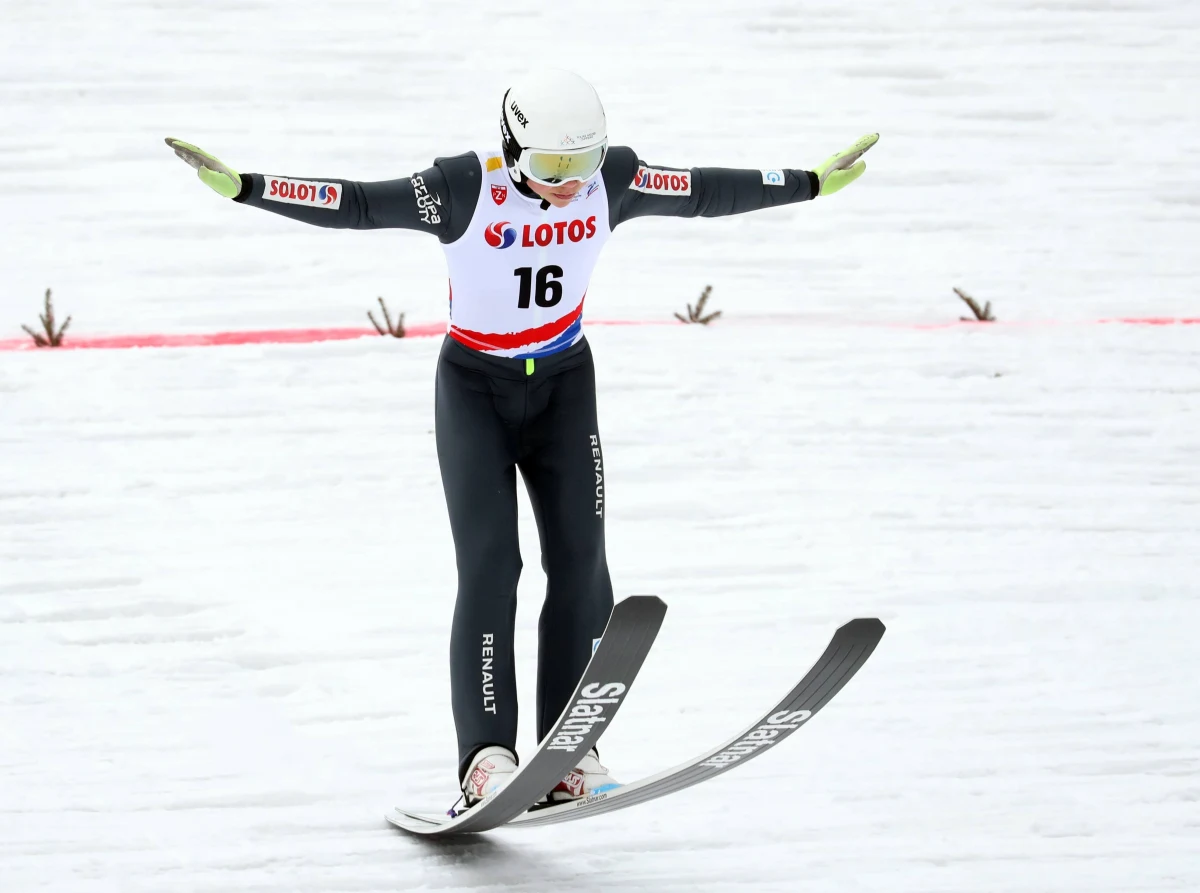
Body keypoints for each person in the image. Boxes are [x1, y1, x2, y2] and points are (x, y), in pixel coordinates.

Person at [166, 69, 877, 808]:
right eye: (550, 169)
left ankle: (571, 751)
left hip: (566, 384)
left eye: (584, 164)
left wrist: (806, 183)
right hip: (474, 389)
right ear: (512, 149)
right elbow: (356, 204)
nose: (571, 185)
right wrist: (250, 186)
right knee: (491, 566)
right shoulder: (461, 188)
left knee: (582, 561)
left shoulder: (616, 180)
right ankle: (486, 758)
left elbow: (702, 190)